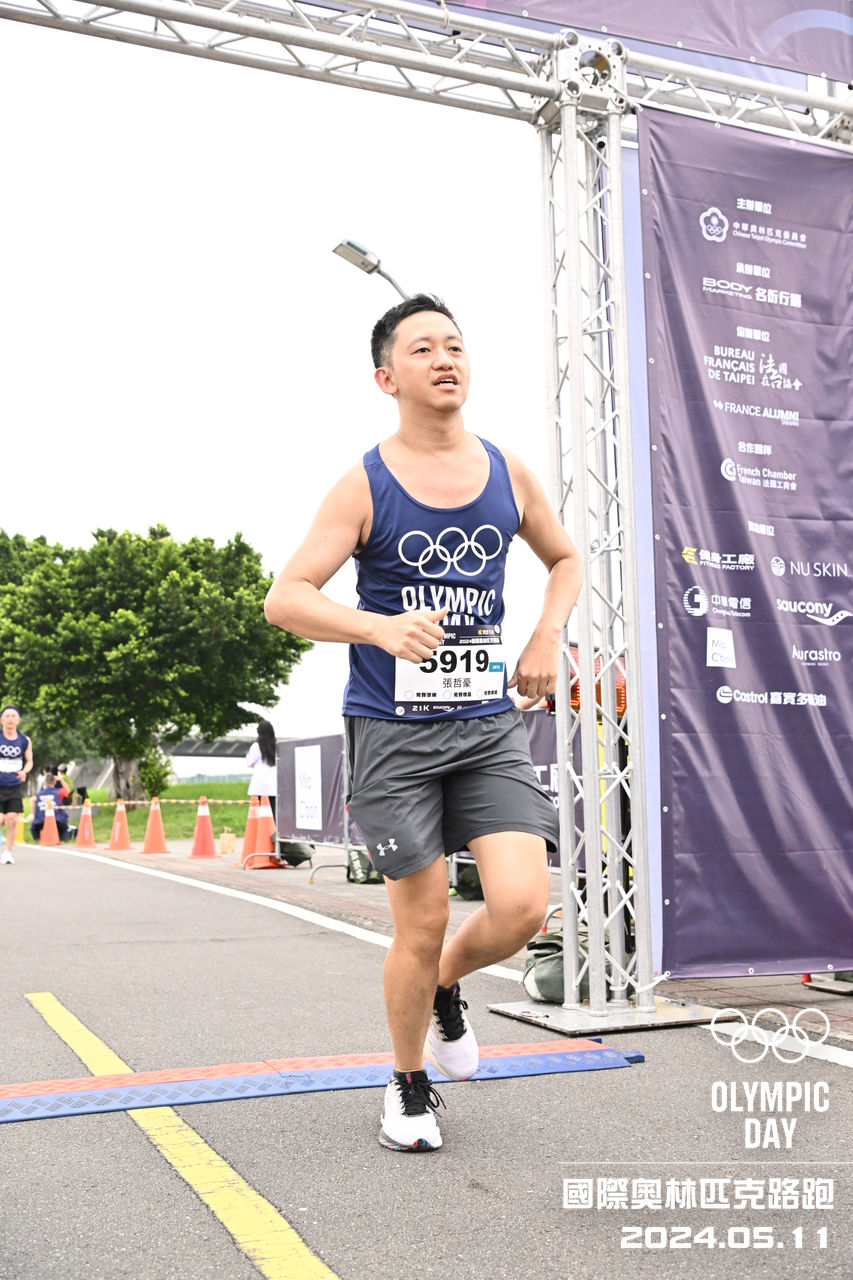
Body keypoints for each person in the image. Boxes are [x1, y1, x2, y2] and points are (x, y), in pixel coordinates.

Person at [264, 294, 583, 1152]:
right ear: (386, 378)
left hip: (485, 726)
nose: (445, 360)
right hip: (392, 732)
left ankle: (441, 986)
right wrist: (376, 627)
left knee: (521, 907)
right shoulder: (363, 483)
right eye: (422, 349)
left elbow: (563, 558)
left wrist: (545, 634)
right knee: (423, 919)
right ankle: (407, 1084)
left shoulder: (507, 472)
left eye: (455, 346)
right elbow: (284, 598)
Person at [0, 704, 33, 865]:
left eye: (13, 716)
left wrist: (25, 771)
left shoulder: (24, 740)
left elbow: (29, 761)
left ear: (18, 720)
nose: (10, 719)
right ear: (1, 720)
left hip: (14, 786)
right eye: (7, 716)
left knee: (13, 819)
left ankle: (7, 852)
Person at [245, 720, 278, 822]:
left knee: (257, 814)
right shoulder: (277, 745)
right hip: (273, 786)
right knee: (272, 814)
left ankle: (260, 832)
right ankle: (273, 832)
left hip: (259, 786)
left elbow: (249, 762)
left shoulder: (256, 746)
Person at [30, 769, 72, 843]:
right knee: (64, 828)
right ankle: (62, 840)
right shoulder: (59, 791)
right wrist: (61, 780)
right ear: (55, 782)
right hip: (57, 820)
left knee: (33, 828)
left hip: (40, 821)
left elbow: (32, 800)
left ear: (45, 783)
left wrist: (33, 814)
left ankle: (38, 840)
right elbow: (68, 792)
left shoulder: (39, 793)